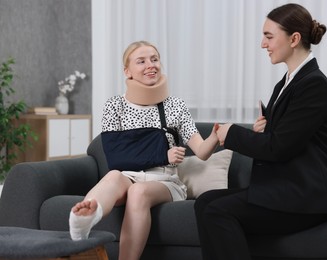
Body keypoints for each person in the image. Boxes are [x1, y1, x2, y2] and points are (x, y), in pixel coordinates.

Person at [194, 3, 327, 260]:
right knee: (205, 202)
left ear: (294, 39)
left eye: (268, 36)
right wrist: (261, 132)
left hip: (309, 198)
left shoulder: (314, 84)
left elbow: (278, 148)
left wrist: (232, 134)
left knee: (217, 211)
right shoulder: (286, 83)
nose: (263, 44)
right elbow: (280, 140)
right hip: (287, 190)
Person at [68, 41, 219, 260]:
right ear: (127, 71)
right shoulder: (115, 106)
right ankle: (86, 216)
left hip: (165, 182)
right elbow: (115, 157)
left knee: (137, 192)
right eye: (141, 61)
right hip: (128, 175)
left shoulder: (174, 105)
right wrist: (163, 154)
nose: (151, 65)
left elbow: (202, 152)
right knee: (113, 176)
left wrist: (215, 135)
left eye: (155, 59)